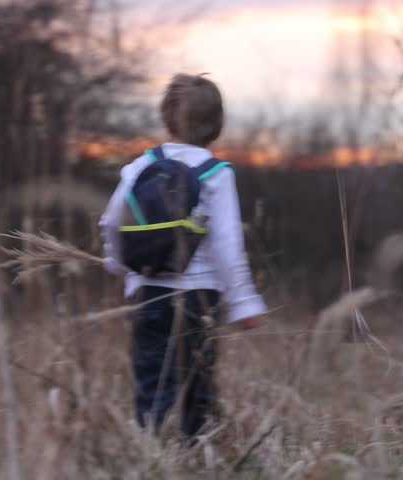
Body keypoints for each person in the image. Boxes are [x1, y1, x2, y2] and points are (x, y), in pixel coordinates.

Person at [98, 73, 267, 438]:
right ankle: (195, 455)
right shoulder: (216, 174)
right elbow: (226, 244)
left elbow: (111, 222)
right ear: (216, 126)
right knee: (197, 389)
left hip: (146, 295)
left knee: (151, 385)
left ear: (166, 118)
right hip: (199, 299)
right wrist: (243, 302)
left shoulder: (140, 167)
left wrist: (117, 262)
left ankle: (150, 454)